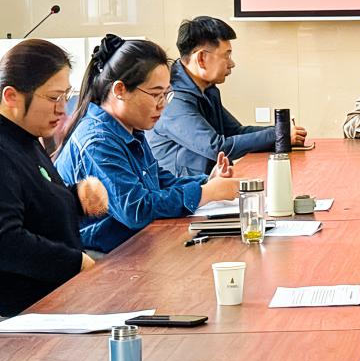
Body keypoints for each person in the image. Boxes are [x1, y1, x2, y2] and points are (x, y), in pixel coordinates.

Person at [56, 35, 240, 254]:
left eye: (166, 95)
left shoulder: (129, 128)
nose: (162, 105)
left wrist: (208, 181)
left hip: (133, 246)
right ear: (120, 90)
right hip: (100, 257)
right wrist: (205, 193)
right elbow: (136, 210)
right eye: (155, 95)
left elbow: (159, 181)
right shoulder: (97, 141)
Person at [0, 40, 108, 316]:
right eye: (53, 98)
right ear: (11, 96)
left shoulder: (27, 137)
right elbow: (7, 242)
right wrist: (74, 262)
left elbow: (34, 204)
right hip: (23, 315)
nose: (62, 110)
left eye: (65, 96)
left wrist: (77, 196)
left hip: (57, 298)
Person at [149, 17, 307, 176]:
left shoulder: (207, 89)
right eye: (226, 56)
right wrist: (279, 135)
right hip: (186, 189)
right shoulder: (173, 99)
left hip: (212, 183)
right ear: (201, 58)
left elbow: (234, 132)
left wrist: (281, 131)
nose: (232, 64)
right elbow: (217, 147)